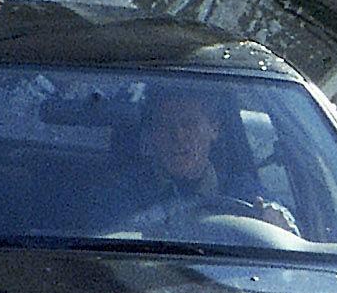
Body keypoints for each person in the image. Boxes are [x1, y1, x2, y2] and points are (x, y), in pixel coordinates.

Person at [100, 87, 297, 236]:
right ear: (151, 135)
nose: (178, 136)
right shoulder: (120, 196)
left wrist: (277, 222)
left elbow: (285, 230)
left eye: (189, 124)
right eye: (165, 125)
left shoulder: (244, 193)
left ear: (214, 129)